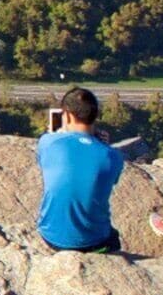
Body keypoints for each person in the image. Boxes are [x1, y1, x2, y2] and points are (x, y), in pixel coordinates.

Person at [34, 88, 127, 253]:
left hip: (51, 236)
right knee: (114, 239)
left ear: (67, 115)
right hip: (94, 241)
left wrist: (56, 135)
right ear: (95, 115)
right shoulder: (113, 157)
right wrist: (102, 145)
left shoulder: (47, 142)